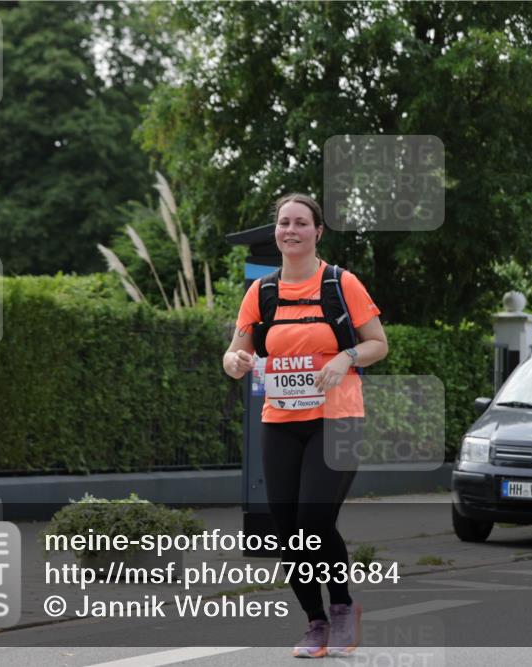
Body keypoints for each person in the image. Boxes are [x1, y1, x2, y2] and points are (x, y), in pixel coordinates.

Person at [223, 193, 389, 656]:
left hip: (336, 419)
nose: (290, 230)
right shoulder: (262, 292)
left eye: (300, 223)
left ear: (318, 232)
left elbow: (378, 343)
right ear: (276, 231)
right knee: (286, 526)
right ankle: (315, 623)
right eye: (283, 223)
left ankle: (341, 610)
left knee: (314, 519)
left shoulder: (341, 282)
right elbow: (236, 351)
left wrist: (345, 356)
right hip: (281, 420)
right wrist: (234, 361)